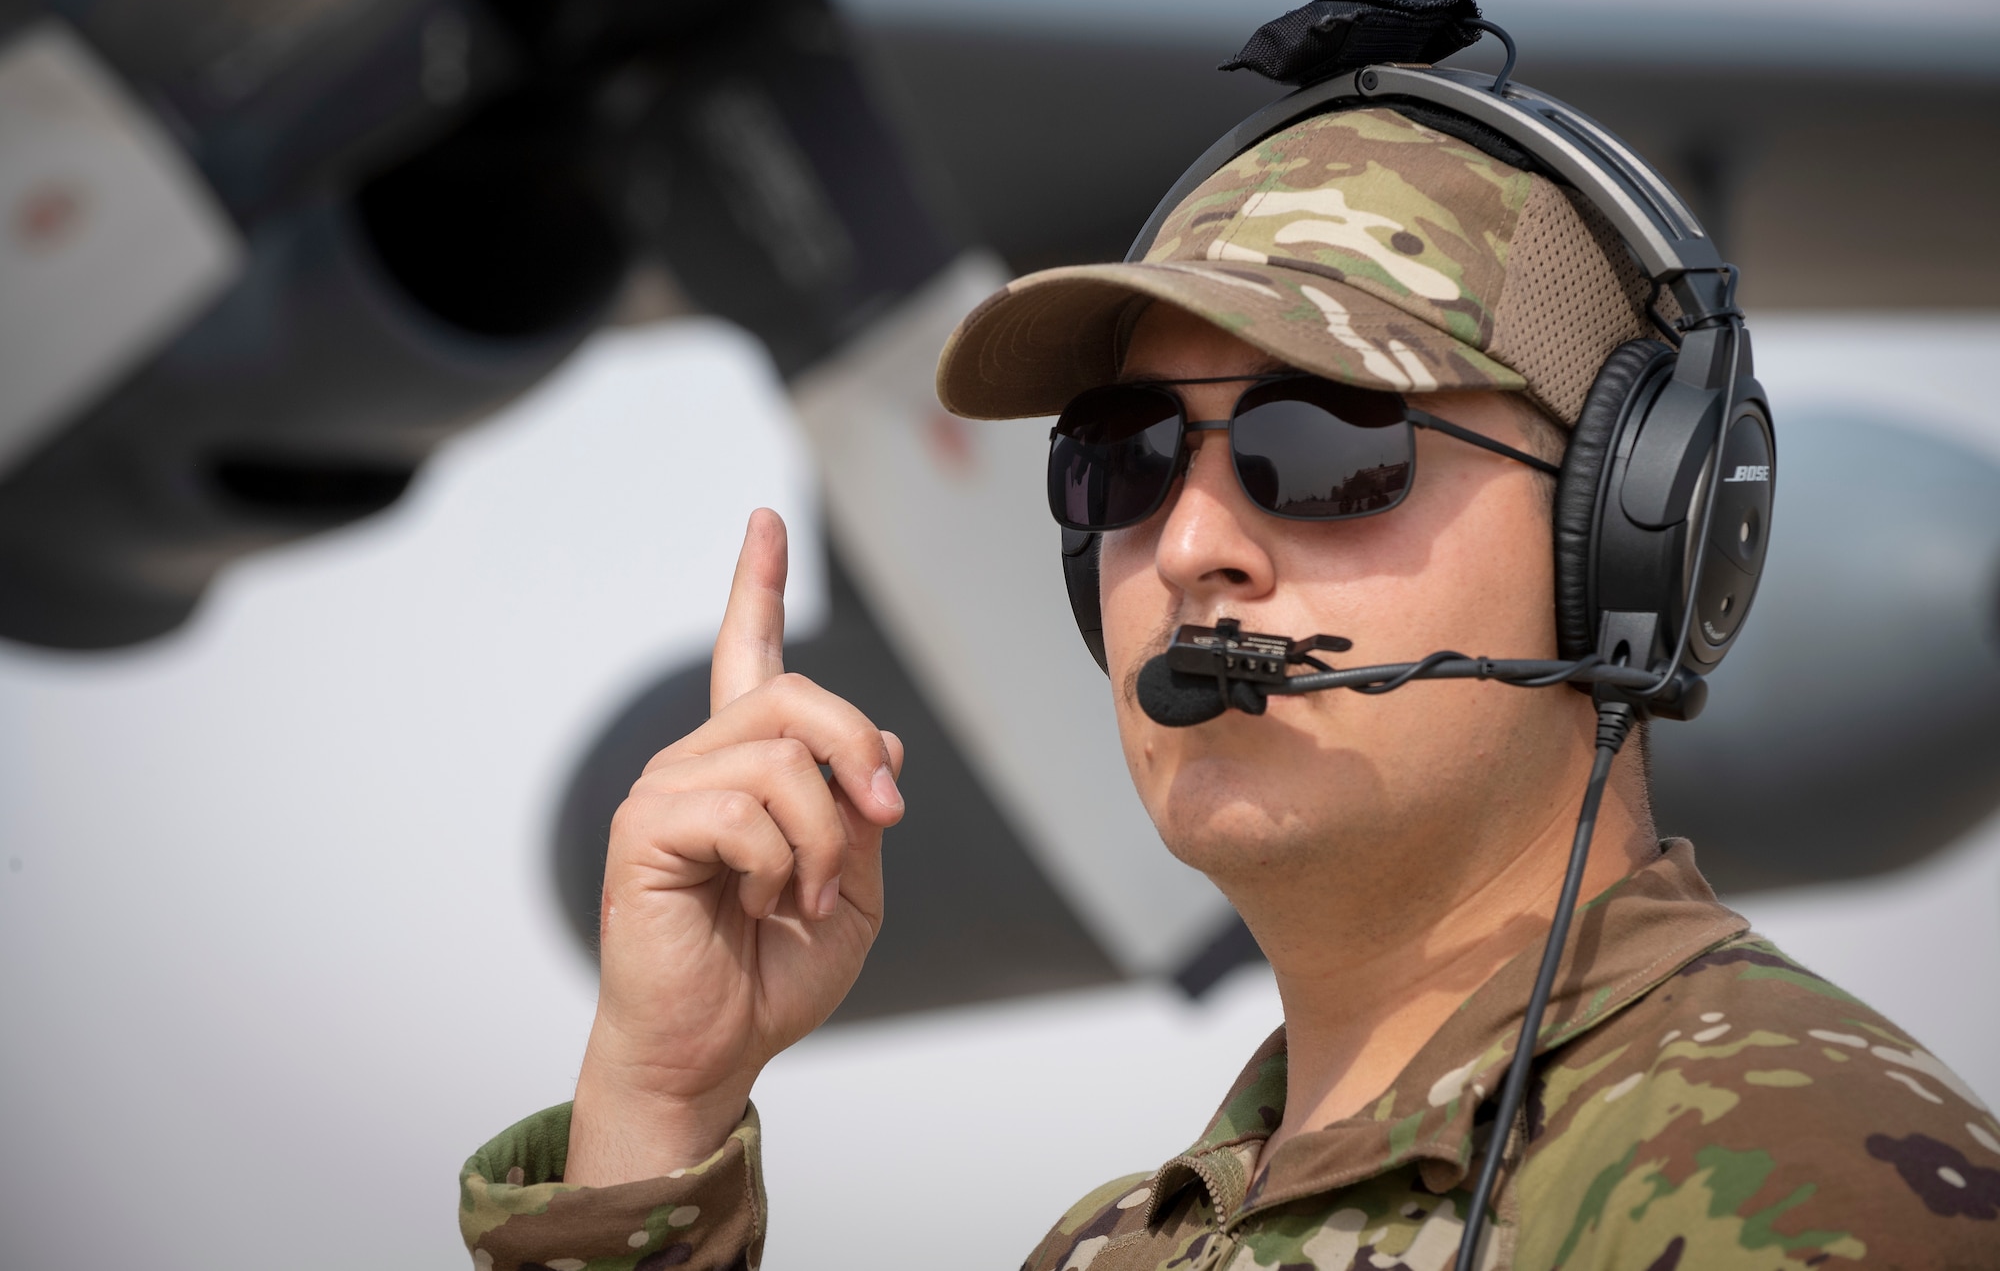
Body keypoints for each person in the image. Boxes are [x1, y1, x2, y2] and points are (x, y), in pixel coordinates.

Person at [456, 88, 2000, 1270]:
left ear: (1628, 529)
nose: (1192, 540)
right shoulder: (1129, 1243)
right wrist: (657, 1111)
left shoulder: (1806, 1180)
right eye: (1121, 459)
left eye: (1324, 445)